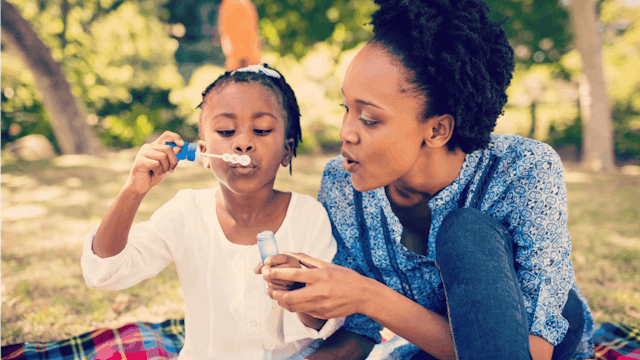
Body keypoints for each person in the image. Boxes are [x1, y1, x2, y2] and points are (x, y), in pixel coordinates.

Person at [259, 1, 596, 359]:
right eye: (347, 109)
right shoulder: (343, 184)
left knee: (465, 231)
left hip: (542, 345)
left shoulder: (522, 170)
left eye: (369, 119)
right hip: (436, 350)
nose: (346, 133)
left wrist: (367, 295)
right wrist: (310, 297)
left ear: (436, 129)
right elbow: (359, 332)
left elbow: (531, 351)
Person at [81, 64, 343, 360]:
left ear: (286, 150)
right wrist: (132, 190)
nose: (243, 142)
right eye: (226, 130)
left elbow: (325, 323)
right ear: (203, 152)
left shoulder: (309, 216)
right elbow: (104, 273)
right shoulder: (186, 213)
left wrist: (299, 293)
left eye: (262, 130)